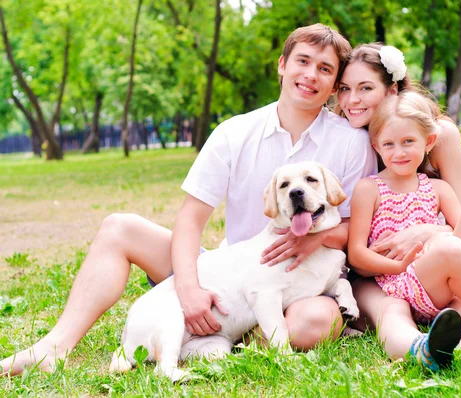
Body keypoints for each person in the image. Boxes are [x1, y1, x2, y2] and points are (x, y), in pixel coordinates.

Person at [1, 23, 391, 376]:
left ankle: (232, 338)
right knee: (119, 227)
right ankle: (54, 347)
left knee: (315, 324)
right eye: (302, 61)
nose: (310, 75)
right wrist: (189, 289)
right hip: (223, 273)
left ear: (333, 81)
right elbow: (190, 219)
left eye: (324, 69)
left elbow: (354, 229)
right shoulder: (234, 132)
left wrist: (314, 238)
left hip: (303, 281)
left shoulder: (350, 142)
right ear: (282, 65)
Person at [347, 91, 461, 370]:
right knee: (393, 314)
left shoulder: (438, 188)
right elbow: (356, 253)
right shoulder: (369, 189)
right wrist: (396, 266)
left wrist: (434, 237)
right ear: (376, 146)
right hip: (394, 285)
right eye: (389, 144)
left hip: (441, 280)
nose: (400, 152)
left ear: (428, 142)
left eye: (408, 142)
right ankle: (422, 349)